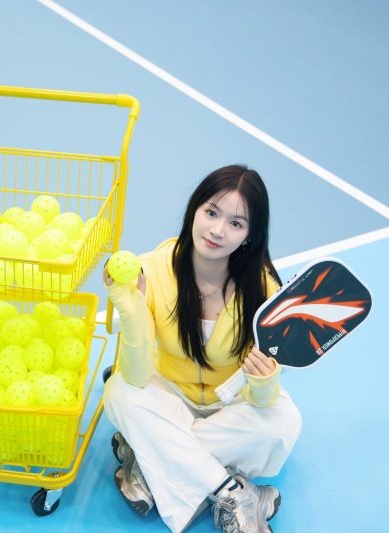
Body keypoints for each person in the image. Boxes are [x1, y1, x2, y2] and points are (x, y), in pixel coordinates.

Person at [102, 165, 302, 533]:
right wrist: (132, 310)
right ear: (195, 209)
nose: (217, 230)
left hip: (230, 405)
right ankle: (235, 494)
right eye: (211, 212)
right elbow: (138, 375)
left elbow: (263, 400)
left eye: (236, 224)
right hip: (168, 394)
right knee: (120, 391)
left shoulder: (265, 290)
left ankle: (148, 463)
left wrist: (264, 380)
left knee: (283, 423)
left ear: (248, 236)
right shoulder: (150, 270)